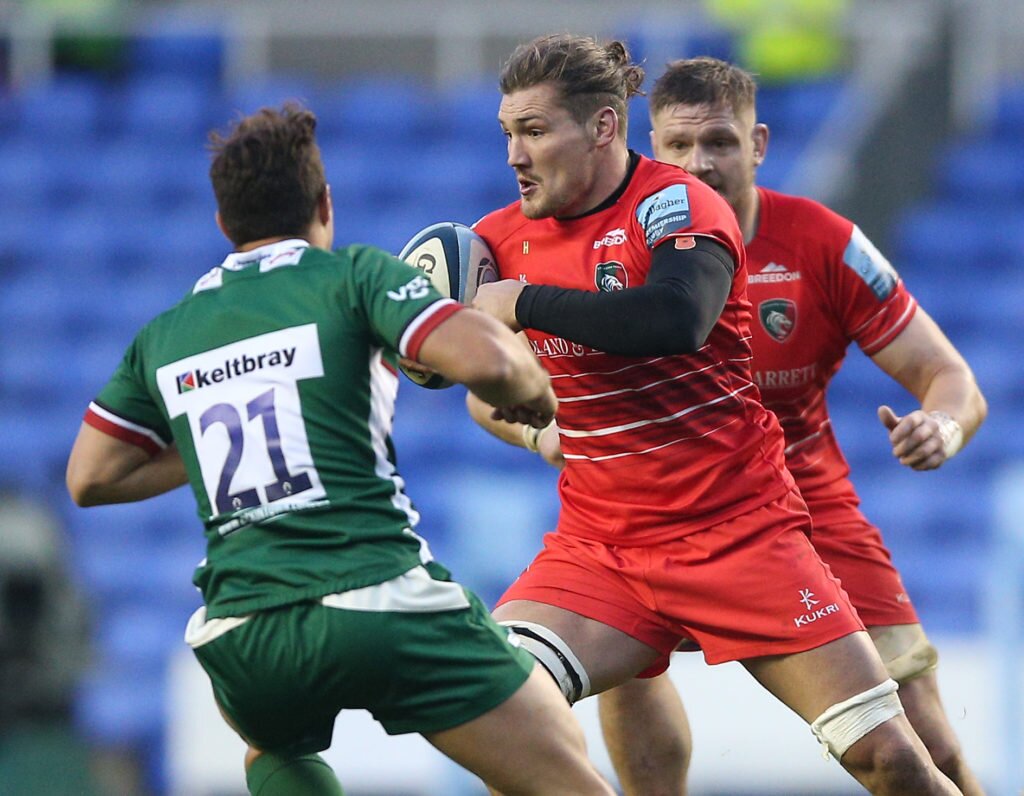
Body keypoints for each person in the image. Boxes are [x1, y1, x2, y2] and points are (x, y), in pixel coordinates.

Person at [65, 104, 615, 796]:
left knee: (272, 748)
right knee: (563, 769)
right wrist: (534, 388)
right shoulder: (352, 276)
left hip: (243, 633)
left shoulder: (166, 335)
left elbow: (89, 478)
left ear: (222, 226)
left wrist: (199, 449)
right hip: (377, 601)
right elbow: (490, 366)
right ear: (324, 205)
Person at [466, 33, 962, 795]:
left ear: (603, 126)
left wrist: (522, 303)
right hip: (602, 548)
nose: (515, 155)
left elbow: (676, 316)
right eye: (508, 133)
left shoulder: (677, 203)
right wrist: (437, 351)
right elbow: (476, 385)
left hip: (741, 534)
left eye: (533, 131)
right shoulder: (497, 241)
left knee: (895, 758)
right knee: (498, 709)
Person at [594, 56, 988, 796]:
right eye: (677, 146)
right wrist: (538, 432)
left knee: (925, 741)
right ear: (649, 149)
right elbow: (498, 395)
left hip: (807, 512)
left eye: (720, 142)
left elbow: (952, 378)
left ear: (760, 143)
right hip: (661, 510)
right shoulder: (610, 250)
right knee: (623, 672)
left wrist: (943, 426)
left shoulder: (821, 241)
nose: (698, 164)